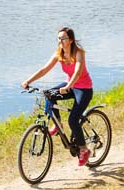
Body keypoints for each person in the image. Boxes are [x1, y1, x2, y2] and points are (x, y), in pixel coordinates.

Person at [21, 27, 95, 166]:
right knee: (49, 94)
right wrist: (28, 81)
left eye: (63, 38)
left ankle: (84, 149)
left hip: (83, 88)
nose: (60, 41)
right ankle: (58, 123)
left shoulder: (79, 53)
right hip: (69, 86)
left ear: (71, 40)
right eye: (59, 38)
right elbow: (44, 69)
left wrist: (68, 86)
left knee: (73, 120)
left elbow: (78, 72)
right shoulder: (59, 54)